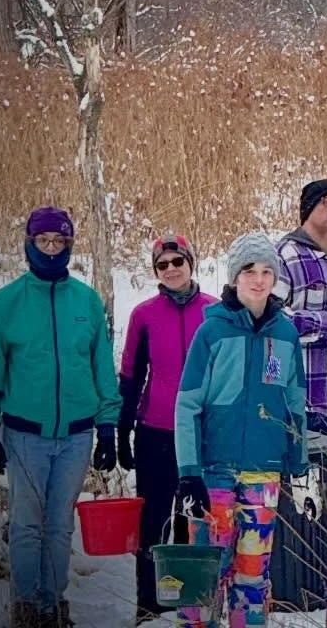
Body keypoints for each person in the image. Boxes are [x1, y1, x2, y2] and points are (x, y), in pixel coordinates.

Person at [0, 206, 121, 628]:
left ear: (70, 246)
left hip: (75, 436)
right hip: (24, 435)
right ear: (29, 244)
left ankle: (53, 604)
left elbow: (102, 370)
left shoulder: (86, 302)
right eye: (44, 241)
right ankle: (26, 607)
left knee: (59, 527)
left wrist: (107, 427)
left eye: (60, 242)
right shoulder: (6, 304)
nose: (52, 249)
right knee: (26, 526)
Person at [174, 232, 308, 628]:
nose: (259, 279)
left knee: (252, 574)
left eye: (268, 271)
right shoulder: (211, 333)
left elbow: (296, 404)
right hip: (213, 471)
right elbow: (187, 405)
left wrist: (299, 467)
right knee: (206, 573)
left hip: (263, 472)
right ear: (234, 277)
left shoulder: (285, 334)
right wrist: (188, 471)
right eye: (250, 270)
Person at [117, 235, 218, 621]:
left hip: (200, 433)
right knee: (154, 521)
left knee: (192, 521)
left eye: (179, 261)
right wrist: (123, 430)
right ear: (156, 271)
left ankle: (190, 603)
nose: (172, 269)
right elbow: (131, 376)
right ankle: (149, 606)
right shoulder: (144, 315)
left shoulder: (214, 312)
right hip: (155, 431)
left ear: (192, 263)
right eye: (163, 264)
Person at [276, 179, 327, 438]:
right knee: (289, 477)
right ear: (309, 207)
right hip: (292, 397)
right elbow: (273, 321)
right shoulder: (286, 255)